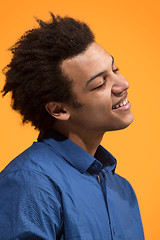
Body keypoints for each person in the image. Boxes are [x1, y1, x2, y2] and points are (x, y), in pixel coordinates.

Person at [0, 13, 145, 239]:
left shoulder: (122, 190)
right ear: (59, 110)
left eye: (115, 70)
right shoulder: (31, 182)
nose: (123, 84)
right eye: (100, 84)